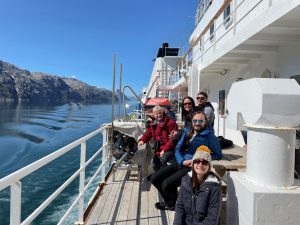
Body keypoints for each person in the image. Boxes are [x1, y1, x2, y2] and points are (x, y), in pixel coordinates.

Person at [150, 111, 222, 210]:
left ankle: (174, 203)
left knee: (166, 184)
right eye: (195, 120)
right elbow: (177, 149)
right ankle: (172, 201)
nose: (197, 123)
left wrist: (198, 159)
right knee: (154, 178)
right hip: (181, 161)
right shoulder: (187, 132)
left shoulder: (210, 137)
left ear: (205, 122)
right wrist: (181, 161)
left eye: (200, 121)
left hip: (192, 166)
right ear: (192, 121)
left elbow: (218, 154)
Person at [173, 145, 222, 225]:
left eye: (205, 162)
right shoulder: (185, 180)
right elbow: (180, 206)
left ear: (209, 166)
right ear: (193, 163)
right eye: (197, 161)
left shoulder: (214, 188)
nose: (200, 164)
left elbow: (212, 220)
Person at [138, 105, 178, 170]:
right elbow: (148, 133)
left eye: (160, 113)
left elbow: (172, 140)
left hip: (169, 148)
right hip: (158, 149)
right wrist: (142, 140)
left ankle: (164, 176)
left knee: (163, 160)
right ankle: (158, 177)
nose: (158, 115)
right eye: (156, 114)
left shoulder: (171, 123)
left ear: (163, 113)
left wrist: (164, 150)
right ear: (153, 115)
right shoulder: (154, 124)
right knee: (155, 163)